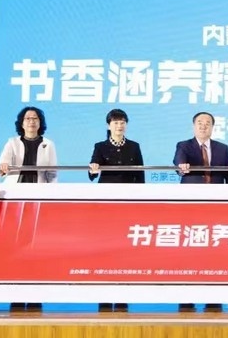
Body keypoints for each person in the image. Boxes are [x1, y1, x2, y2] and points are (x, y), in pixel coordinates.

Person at [173, 111, 228, 312]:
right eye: (199, 122)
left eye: (207, 123)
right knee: (189, 252)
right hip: (191, 207)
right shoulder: (184, 146)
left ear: (212, 127)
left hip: (216, 207)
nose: (203, 126)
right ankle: (187, 297)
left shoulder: (222, 148)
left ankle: (213, 296)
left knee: (215, 252)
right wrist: (182, 167)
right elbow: (179, 163)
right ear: (194, 126)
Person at [0, 106, 57, 311]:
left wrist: (52, 197)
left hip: (38, 198)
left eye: (35, 118)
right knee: (15, 245)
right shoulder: (12, 143)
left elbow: (52, 174)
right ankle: (15, 291)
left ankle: (34, 293)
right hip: (16, 198)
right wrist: (4, 166)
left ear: (40, 122)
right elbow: (3, 165)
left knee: (37, 246)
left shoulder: (48, 144)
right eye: (28, 118)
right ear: (21, 123)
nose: (32, 121)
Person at [88, 108, 144, 312]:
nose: (119, 126)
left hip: (129, 201)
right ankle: (104, 296)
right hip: (107, 201)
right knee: (105, 247)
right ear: (108, 125)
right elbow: (92, 173)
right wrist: (93, 169)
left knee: (125, 248)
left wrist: (141, 199)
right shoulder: (100, 146)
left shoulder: (134, 146)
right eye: (115, 122)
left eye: (122, 122)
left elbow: (140, 175)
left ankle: (122, 296)